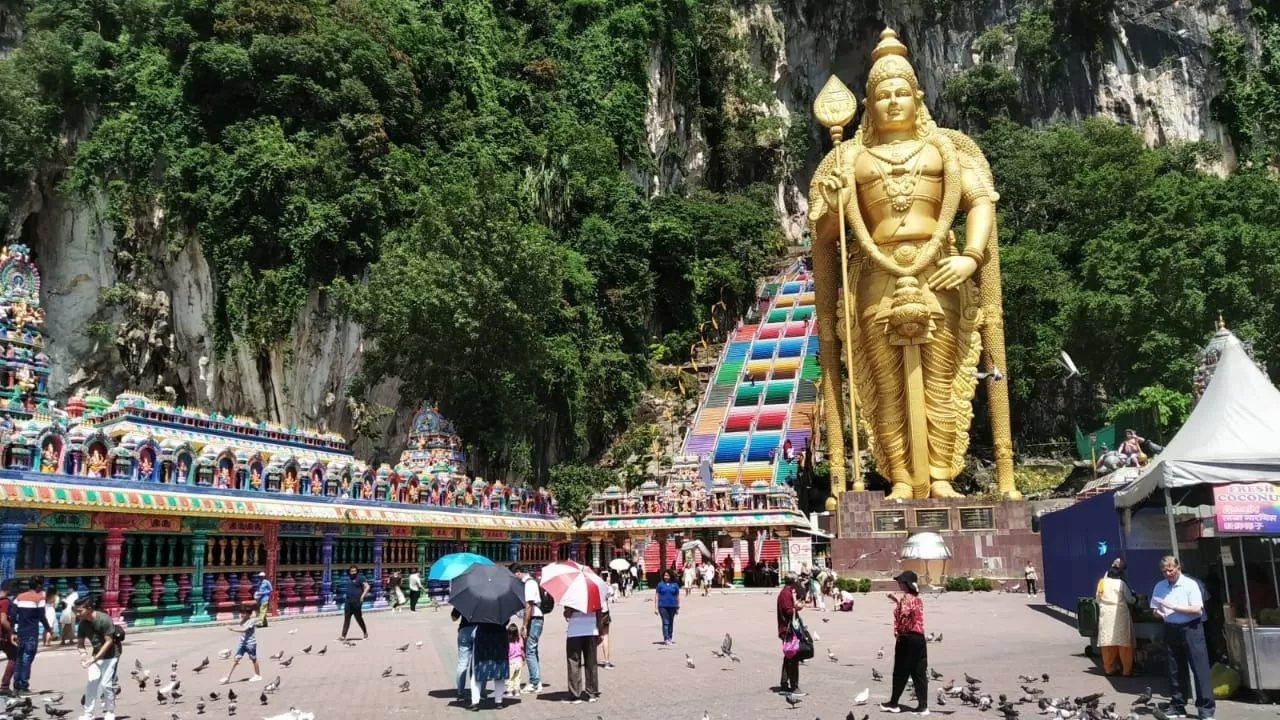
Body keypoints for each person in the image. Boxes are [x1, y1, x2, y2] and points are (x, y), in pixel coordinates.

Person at [1151, 556, 1215, 720]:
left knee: (1199, 668)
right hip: (1171, 628)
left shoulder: (1190, 584)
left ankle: (1206, 710)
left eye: (1171, 569)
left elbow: (1197, 609)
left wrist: (1173, 607)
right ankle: (1178, 705)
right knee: (1175, 668)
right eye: (1164, 570)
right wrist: (1159, 613)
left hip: (1191, 628)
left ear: (1179, 567)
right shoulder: (1160, 586)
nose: (1168, 573)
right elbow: (1154, 609)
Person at [881, 570, 928, 715]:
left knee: (900, 671)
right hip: (919, 638)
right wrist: (896, 601)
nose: (899, 584)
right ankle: (923, 706)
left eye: (901, 582)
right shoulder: (916, 598)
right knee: (918, 672)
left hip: (907, 638)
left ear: (906, 584)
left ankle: (894, 703)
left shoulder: (906, 598)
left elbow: (904, 616)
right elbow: (911, 612)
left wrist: (899, 632)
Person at [74, 595, 119, 720]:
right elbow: (80, 644)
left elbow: (108, 642)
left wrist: (94, 659)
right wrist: (83, 654)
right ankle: (88, 714)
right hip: (95, 655)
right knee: (91, 684)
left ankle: (110, 712)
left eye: (80, 611)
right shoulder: (82, 624)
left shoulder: (104, 619)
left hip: (111, 655)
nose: (77, 614)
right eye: (76, 611)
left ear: (89, 609)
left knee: (106, 684)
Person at [11, 577, 52, 695]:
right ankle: (23, 685)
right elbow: (42, 616)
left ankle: (16, 685)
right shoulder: (40, 598)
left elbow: (13, 615)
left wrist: (13, 631)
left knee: (19, 659)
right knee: (27, 659)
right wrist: (48, 628)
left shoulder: (19, 597)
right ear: (38, 586)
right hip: (32, 633)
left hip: (20, 633)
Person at [509, 564, 544, 695]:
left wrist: (524, 625)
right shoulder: (531, 582)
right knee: (532, 651)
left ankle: (534, 683)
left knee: (529, 651)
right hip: (535, 619)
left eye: (514, 576)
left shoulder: (529, 583)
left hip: (534, 620)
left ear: (518, 572)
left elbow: (528, 605)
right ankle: (536, 680)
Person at [1097, 558, 1135, 676]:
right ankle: (1126, 670)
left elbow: (1098, 599)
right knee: (1123, 643)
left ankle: (1109, 668)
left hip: (1106, 614)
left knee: (1108, 642)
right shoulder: (1121, 583)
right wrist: (1134, 598)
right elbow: (1130, 599)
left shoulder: (1102, 582)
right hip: (1120, 614)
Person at [469, 620, 510, 709]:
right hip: (499, 637)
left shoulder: (479, 607)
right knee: (499, 670)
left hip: (482, 637)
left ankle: (475, 701)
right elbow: (506, 621)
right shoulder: (502, 607)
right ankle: (499, 701)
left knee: (477, 670)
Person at [563, 606, 600, 703]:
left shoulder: (570, 594)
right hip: (591, 630)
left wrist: (566, 613)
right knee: (591, 662)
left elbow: (568, 614)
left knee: (574, 662)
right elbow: (599, 611)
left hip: (575, 631)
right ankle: (592, 693)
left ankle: (575, 694)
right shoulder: (594, 593)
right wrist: (599, 630)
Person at [220, 603, 263, 683]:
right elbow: (242, 630)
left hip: (250, 644)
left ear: (249, 614)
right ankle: (227, 677)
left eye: (244, 613)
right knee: (236, 659)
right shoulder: (242, 621)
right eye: (241, 613)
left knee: (253, 659)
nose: (242, 615)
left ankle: (258, 675)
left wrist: (233, 629)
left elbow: (244, 630)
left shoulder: (251, 621)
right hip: (242, 644)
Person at [777, 573, 803, 695]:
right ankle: (794, 687)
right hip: (788, 630)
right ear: (793, 581)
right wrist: (797, 607)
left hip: (786, 629)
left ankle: (784, 684)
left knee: (788, 657)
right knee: (793, 658)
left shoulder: (787, 592)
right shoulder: (786, 593)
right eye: (797, 579)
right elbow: (788, 611)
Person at [451, 608, 476, 703]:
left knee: (462, 663)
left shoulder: (465, 597)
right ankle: (480, 692)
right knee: (477, 663)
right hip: (479, 631)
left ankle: (460, 693)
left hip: (464, 630)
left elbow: (454, 618)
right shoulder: (486, 598)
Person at [339, 566, 370, 641]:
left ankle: (365, 633)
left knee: (358, 618)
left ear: (357, 571)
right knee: (347, 618)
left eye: (355, 571)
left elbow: (367, 586)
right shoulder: (348, 578)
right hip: (348, 601)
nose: (353, 572)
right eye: (352, 571)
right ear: (349, 572)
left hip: (357, 601)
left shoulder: (360, 578)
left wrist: (363, 596)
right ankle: (343, 636)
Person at [654, 569, 680, 644]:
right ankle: (666, 638)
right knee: (665, 622)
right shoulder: (660, 584)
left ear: (671, 576)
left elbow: (677, 596)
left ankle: (670, 637)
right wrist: (655, 608)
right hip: (662, 606)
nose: (666, 577)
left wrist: (677, 606)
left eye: (668, 575)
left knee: (671, 622)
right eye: (665, 575)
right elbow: (656, 596)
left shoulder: (675, 585)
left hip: (672, 606)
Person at [505, 624, 524, 697]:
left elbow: (506, 653)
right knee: (517, 677)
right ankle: (517, 691)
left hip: (511, 662)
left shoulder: (508, 643)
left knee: (510, 678)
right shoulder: (519, 640)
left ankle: (510, 691)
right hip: (519, 661)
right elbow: (522, 649)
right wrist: (523, 658)